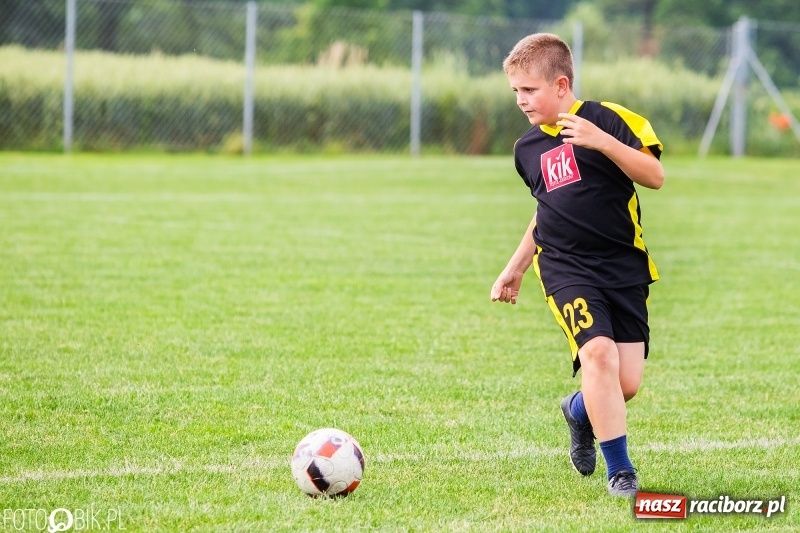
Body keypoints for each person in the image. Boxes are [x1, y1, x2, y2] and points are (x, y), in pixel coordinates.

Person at [490, 33, 664, 498]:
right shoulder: (526, 149)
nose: (521, 100)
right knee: (598, 356)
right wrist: (516, 267)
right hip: (567, 268)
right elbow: (548, 210)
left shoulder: (610, 119)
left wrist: (602, 141)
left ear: (561, 84)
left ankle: (578, 410)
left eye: (529, 90)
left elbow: (655, 176)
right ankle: (621, 471)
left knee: (624, 385)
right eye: (516, 92)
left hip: (624, 267)